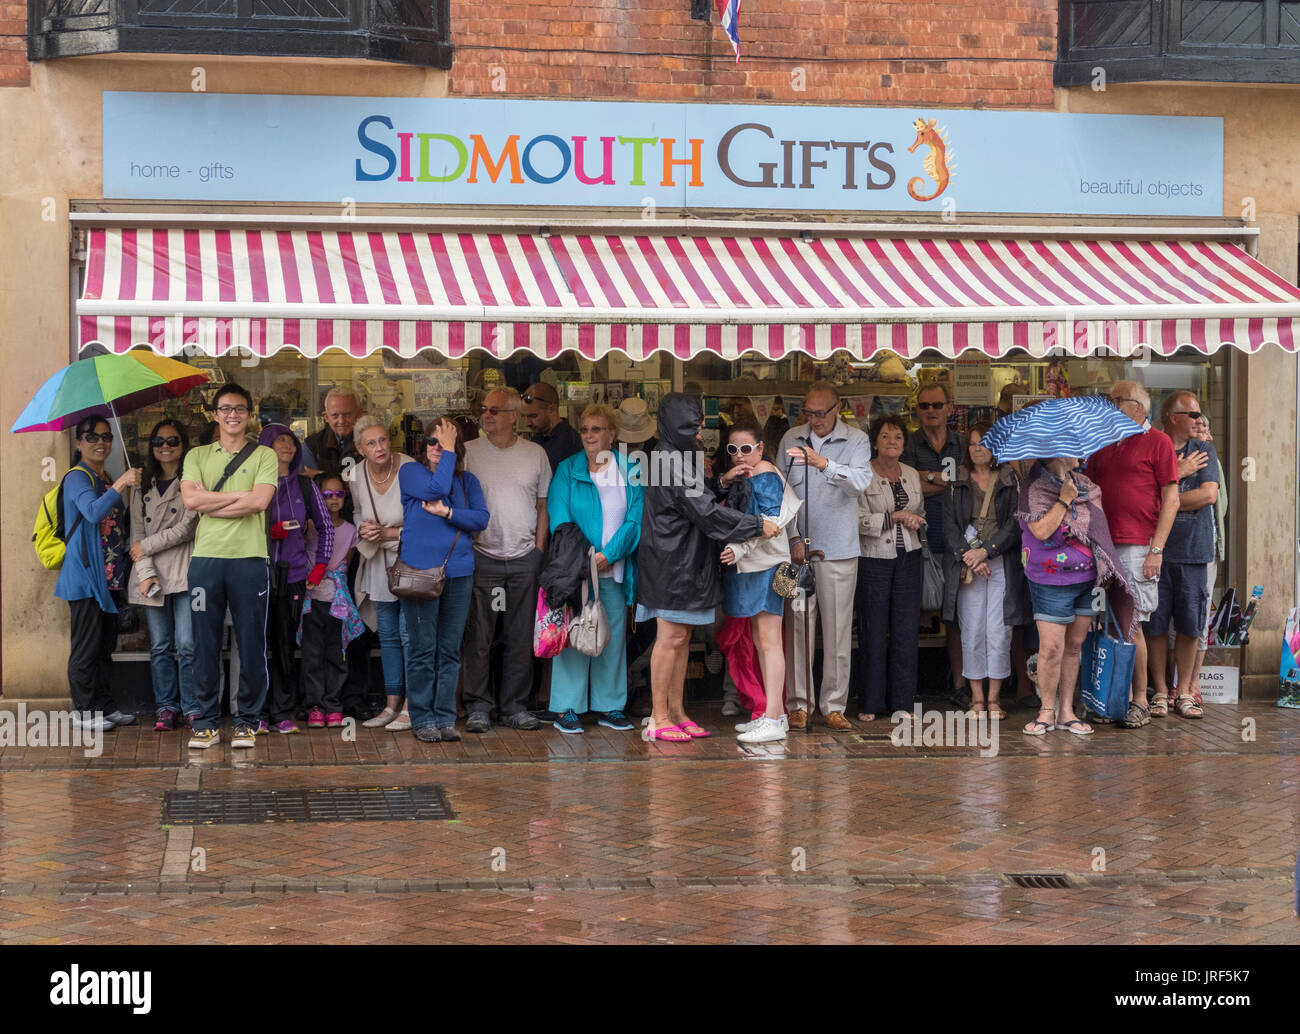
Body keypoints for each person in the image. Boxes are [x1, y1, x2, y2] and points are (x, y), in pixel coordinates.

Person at [638, 392, 776, 742]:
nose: (701, 427)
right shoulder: (668, 457)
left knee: (681, 638)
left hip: (683, 558)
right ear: (679, 423)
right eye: (695, 421)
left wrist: (721, 482)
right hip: (672, 560)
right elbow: (703, 511)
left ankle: (677, 711)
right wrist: (757, 525)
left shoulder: (673, 453)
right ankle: (658, 717)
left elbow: (694, 497)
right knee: (670, 637)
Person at [181, 383, 278, 750]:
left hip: (250, 560)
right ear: (215, 414)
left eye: (239, 408)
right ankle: (205, 722)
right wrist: (242, 495)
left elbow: (260, 501)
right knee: (202, 643)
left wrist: (212, 501)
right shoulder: (197, 455)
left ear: (249, 413)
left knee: (252, 643)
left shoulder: (264, 455)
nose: (232, 414)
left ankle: (247, 721)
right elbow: (190, 500)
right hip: (205, 561)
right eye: (225, 408)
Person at [777, 381, 873, 731]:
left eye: (821, 412)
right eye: (809, 412)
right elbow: (779, 492)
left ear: (838, 408)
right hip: (796, 551)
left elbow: (861, 481)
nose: (814, 419)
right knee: (797, 626)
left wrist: (824, 464)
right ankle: (798, 704)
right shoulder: (791, 437)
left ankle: (834, 704)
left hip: (840, 548)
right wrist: (791, 540)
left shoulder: (856, 439)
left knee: (837, 630)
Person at [1017, 456, 1137, 737]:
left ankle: (1066, 711)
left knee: (1074, 646)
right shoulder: (1032, 488)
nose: (1080, 456)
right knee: (1050, 649)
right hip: (1049, 579)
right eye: (1072, 449)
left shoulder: (1087, 485)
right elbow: (1041, 529)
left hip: (1087, 578)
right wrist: (1063, 500)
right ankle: (1046, 710)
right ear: (1056, 452)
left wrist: (1106, 571)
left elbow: (1098, 531)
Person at [1084, 382, 1179, 727]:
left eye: (1115, 401)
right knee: (1106, 624)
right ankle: (1113, 697)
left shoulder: (1158, 441)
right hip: (1103, 546)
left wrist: (1156, 548)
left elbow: (1172, 498)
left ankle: (1139, 699)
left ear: (1137, 407)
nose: (1108, 406)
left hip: (1139, 546)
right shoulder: (1103, 442)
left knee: (1132, 625)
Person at [546, 403, 643, 733]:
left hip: (613, 570)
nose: (589, 435)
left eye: (596, 429)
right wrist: (586, 559)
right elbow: (559, 519)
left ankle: (610, 705)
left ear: (612, 434)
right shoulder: (567, 469)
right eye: (585, 429)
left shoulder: (630, 469)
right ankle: (567, 706)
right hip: (576, 569)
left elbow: (635, 519)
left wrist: (610, 555)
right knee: (574, 637)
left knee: (610, 638)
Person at [462, 387, 552, 732]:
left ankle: (515, 705)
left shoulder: (535, 453)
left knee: (520, 635)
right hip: (481, 555)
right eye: (484, 409)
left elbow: (543, 506)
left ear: (514, 416)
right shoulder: (468, 453)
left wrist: (538, 551)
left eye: (495, 410)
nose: (487, 415)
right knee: (479, 638)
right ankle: (479, 707)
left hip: (524, 556)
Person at [398, 417, 489, 741]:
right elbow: (436, 488)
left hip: (459, 572)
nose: (439, 448)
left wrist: (448, 513)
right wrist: (449, 449)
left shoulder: (468, 481)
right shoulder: (411, 472)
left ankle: (445, 718)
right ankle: (422, 719)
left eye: (447, 443)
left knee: (449, 650)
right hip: (420, 573)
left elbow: (481, 519)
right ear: (423, 446)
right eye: (434, 442)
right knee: (422, 650)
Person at [55, 415, 142, 732]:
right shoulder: (78, 477)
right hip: (86, 579)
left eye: (106, 436)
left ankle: (105, 706)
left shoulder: (105, 478)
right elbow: (92, 512)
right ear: (79, 443)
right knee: (86, 649)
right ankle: (83, 710)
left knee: (105, 649)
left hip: (110, 579)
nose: (101, 442)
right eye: (92, 437)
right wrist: (121, 483)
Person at [940, 421, 1026, 720]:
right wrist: (969, 556)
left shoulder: (1009, 479)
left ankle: (994, 698)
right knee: (972, 630)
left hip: (1000, 562)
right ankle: (976, 697)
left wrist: (986, 552)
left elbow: (1015, 524)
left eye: (985, 443)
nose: (978, 448)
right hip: (968, 566)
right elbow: (948, 527)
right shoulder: (957, 481)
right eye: (974, 443)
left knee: (999, 632)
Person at [718, 416, 794, 744]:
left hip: (767, 564)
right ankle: (771, 714)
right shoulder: (748, 475)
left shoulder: (763, 473)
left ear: (760, 448)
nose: (739, 454)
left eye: (746, 448)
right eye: (732, 448)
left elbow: (770, 522)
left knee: (768, 640)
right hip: (757, 564)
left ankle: (775, 716)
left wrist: (738, 547)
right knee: (762, 640)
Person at [1147, 390, 1220, 719]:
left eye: (1200, 415)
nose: (1199, 420)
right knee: (1157, 624)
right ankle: (1161, 691)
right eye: (1192, 415)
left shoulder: (1205, 449)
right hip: (1158, 552)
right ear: (1173, 418)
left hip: (1194, 551)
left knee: (1192, 625)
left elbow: (1207, 496)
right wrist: (1179, 471)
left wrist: (1168, 497)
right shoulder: (1155, 448)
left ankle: (1186, 691)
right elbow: (1145, 496)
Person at [258, 422, 333, 735]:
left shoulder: (305, 485)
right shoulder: (254, 482)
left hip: (294, 576)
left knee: (286, 646)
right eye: (279, 441)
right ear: (265, 447)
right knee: (258, 645)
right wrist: (266, 531)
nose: (286, 446)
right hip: (258, 573)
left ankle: (283, 712)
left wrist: (320, 566)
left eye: (290, 441)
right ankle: (257, 711)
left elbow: (327, 526)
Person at [128, 420, 199, 731]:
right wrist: (144, 571)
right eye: (158, 440)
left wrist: (146, 546)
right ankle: (166, 707)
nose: (165, 446)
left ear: (183, 445)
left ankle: (193, 706)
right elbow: (135, 535)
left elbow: (186, 529)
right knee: (159, 645)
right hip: (151, 574)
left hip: (184, 570)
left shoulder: (192, 482)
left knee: (187, 644)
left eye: (172, 440)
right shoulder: (140, 486)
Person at [857, 416, 927, 721]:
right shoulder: (863, 475)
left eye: (898, 437)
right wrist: (894, 517)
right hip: (874, 558)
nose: (892, 442)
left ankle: (903, 703)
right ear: (874, 442)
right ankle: (870, 703)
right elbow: (856, 519)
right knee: (872, 628)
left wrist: (914, 519)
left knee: (905, 631)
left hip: (909, 557)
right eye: (885, 436)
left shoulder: (911, 474)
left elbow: (920, 511)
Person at [902, 381, 966, 704]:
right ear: (917, 410)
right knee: (913, 614)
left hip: (957, 542)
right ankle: (908, 686)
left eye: (936, 405)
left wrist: (925, 477)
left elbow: (968, 479)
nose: (930, 411)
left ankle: (959, 685)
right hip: (918, 540)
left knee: (954, 615)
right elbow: (905, 483)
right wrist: (943, 481)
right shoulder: (908, 443)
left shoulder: (963, 443)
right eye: (924, 406)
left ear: (949, 407)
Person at [350, 415, 415, 730]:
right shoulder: (356, 474)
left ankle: (411, 706)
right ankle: (391, 705)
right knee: (388, 636)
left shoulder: (409, 468)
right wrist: (365, 528)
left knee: (409, 634)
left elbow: (425, 518)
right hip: (379, 563)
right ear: (359, 448)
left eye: (384, 440)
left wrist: (390, 534)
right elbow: (356, 510)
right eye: (371, 443)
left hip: (411, 560)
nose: (380, 447)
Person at [299, 474, 362, 727]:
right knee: (312, 654)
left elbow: (347, 563)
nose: (333, 499)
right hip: (311, 598)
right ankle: (315, 706)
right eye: (327, 494)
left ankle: (334, 704)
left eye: (339, 494)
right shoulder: (310, 527)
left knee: (338, 653)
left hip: (338, 600)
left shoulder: (350, 531)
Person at [1184, 412, 1227, 700]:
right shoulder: (1176, 458)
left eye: (1204, 428)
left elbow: (1215, 501)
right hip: (1172, 548)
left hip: (1203, 547)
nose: (1201, 432)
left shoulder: (1210, 457)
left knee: (1197, 617)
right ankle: (1171, 684)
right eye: (1195, 427)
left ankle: (1192, 683)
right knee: (1171, 620)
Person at [302, 387, 363, 484]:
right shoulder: (311, 445)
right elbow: (314, 486)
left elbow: (372, 479)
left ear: (359, 414)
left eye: (347, 414)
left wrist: (321, 474)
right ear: (326, 417)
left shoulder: (370, 442)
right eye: (335, 415)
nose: (341, 421)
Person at [522, 382, 582, 473]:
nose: (527, 423)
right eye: (524, 416)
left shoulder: (569, 444)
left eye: (533, 416)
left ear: (551, 409)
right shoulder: (539, 437)